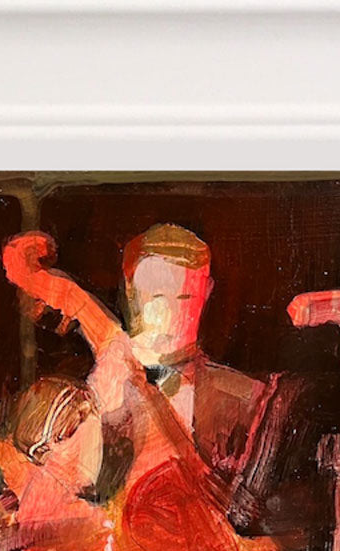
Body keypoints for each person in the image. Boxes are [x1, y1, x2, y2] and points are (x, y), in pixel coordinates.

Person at [118, 223, 310, 527]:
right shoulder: (105, 394)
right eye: (155, 298)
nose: (169, 318)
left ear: (206, 292)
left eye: (184, 299)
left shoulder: (251, 398)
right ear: (131, 293)